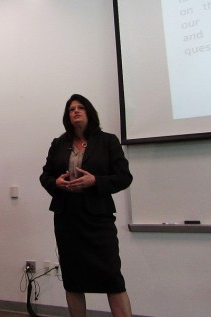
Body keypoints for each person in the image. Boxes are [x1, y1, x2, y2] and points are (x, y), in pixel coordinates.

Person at [39, 94, 133, 317]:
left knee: (112, 279)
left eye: (81, 107)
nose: (76, 111)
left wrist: (96, 181)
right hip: (68, 220)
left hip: (98, 220)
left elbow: (124, 177)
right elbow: (45, 176)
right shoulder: (58, 143)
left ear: (89, 112)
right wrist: (57, 183)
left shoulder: (108, 141)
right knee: (73, 280)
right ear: (67, 116)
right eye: (71, 109)